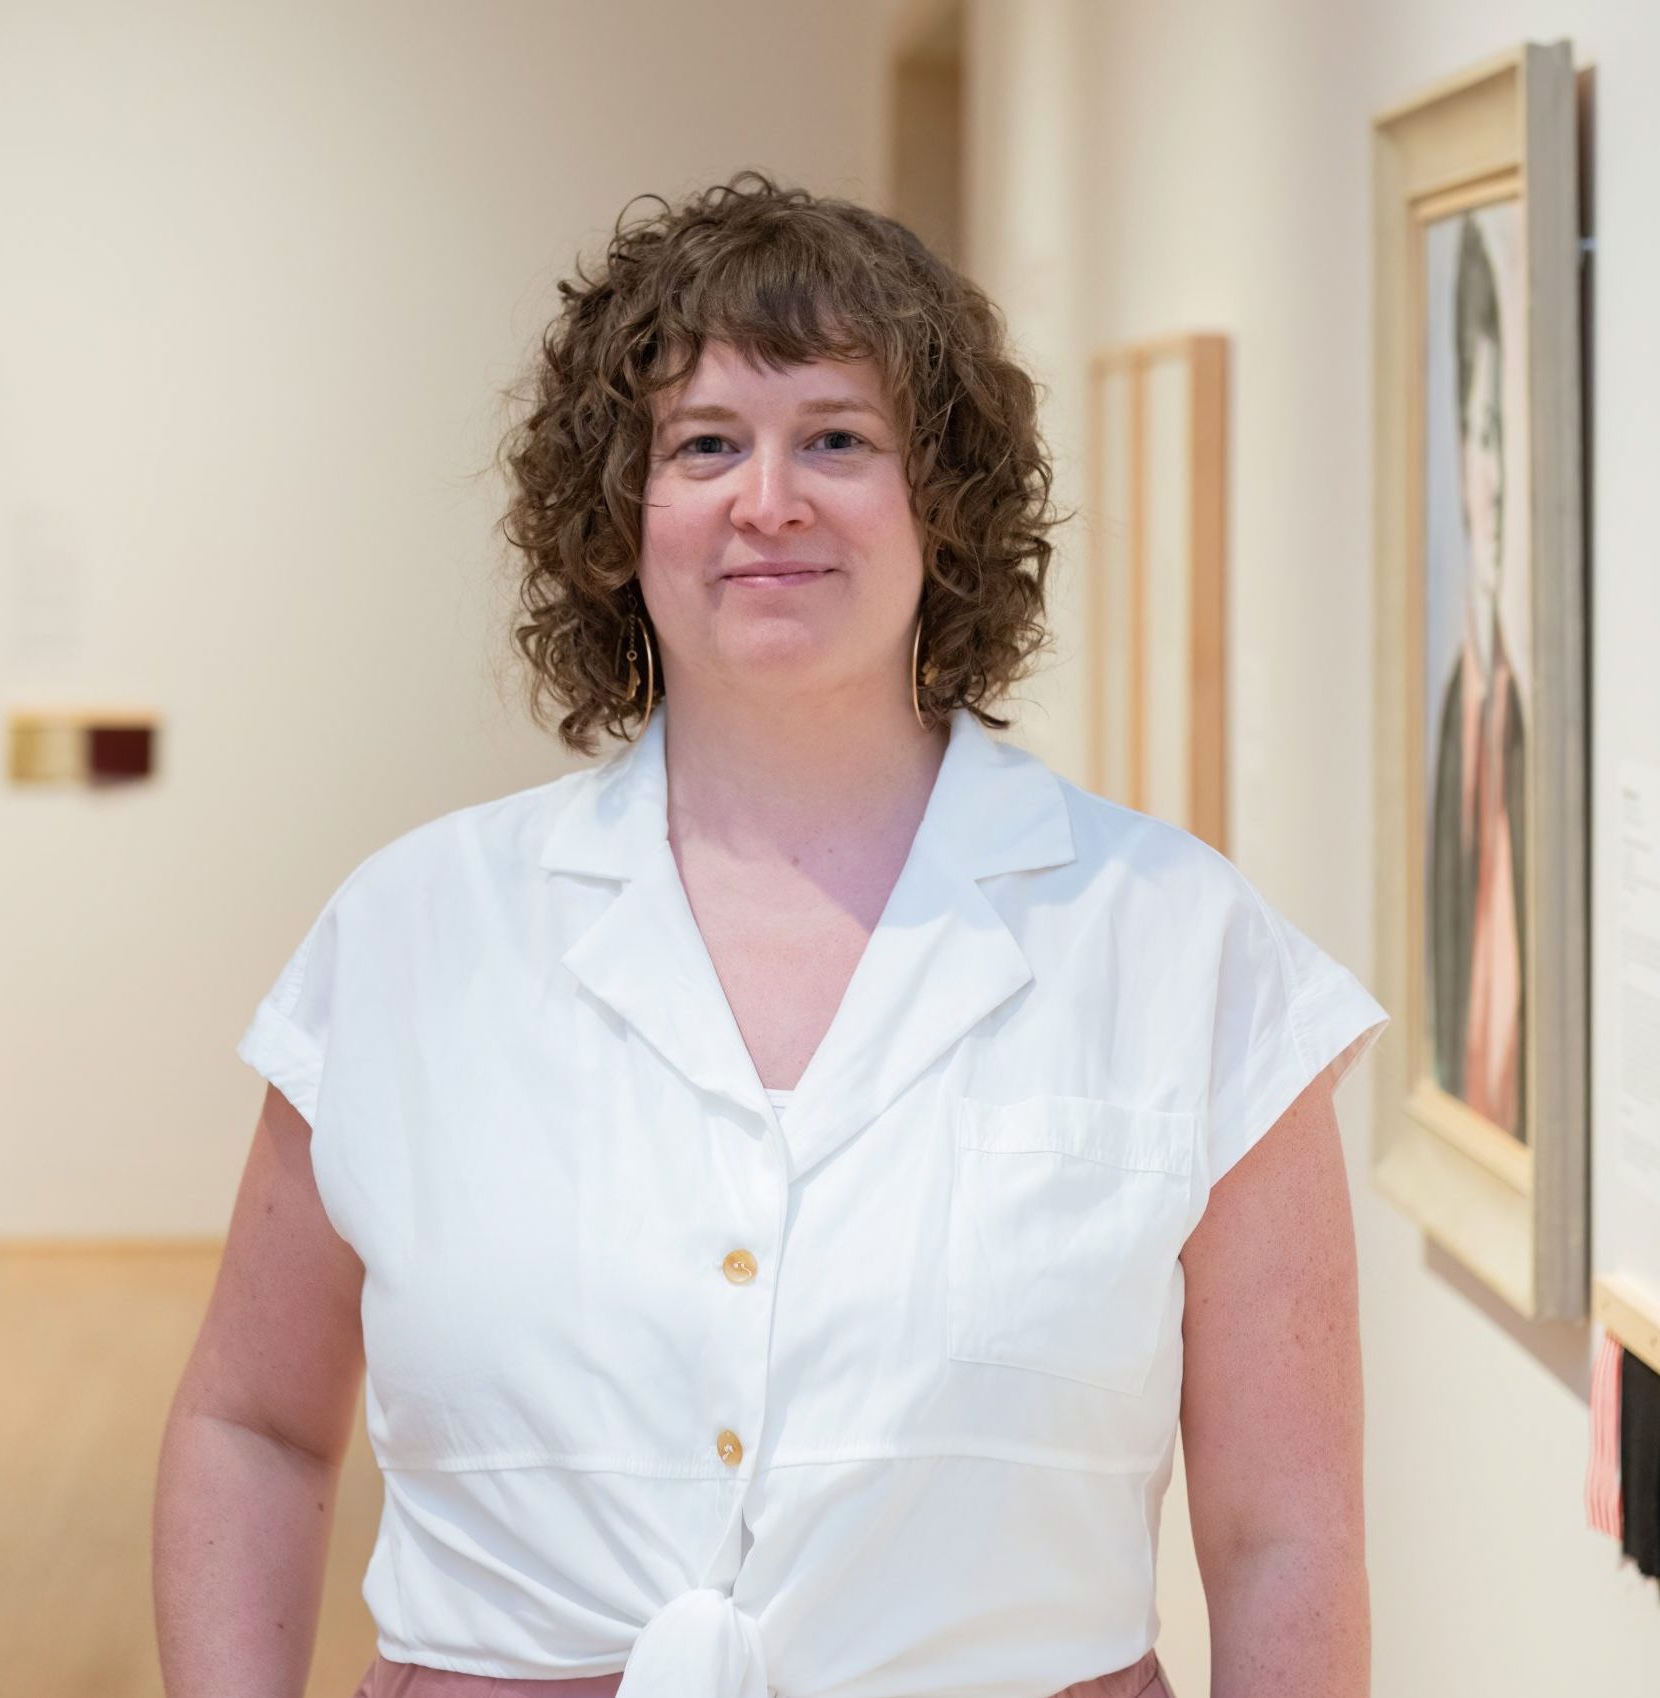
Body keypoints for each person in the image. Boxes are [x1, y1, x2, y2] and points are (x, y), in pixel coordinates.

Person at [154, 171, 1389, 1698]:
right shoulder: (412, 936)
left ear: (946, 503)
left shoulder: (1182, 948)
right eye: (705, 445)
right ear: (620, 513)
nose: (769, 499)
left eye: (839, 440)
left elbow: (1285, 1537)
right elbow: (252, 1426)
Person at [1424, 210, 1528, 1138]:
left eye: (1500, 436)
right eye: (1474, 435)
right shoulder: (1460, 711)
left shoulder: (1519, 728)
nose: (1488, 476)